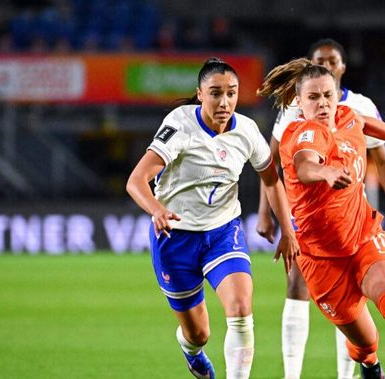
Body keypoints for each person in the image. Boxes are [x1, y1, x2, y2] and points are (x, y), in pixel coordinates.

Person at [257, 58, 385, 379]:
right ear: (299, 101)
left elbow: (366, 123)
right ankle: (369, 362)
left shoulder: (347, 116)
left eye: (328, 96)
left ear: (338, 95)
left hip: (363, 235)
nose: (323, 104)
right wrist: (326, 171)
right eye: (313, 98)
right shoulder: (301, 132)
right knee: (366, 341)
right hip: (322, 261)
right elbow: (306, 166)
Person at [127, 58, 299, 379]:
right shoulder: (180, 125)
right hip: (175, 238)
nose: (225, 102)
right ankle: (191, 352)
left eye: (232, 93)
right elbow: (136, 181)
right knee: (198, 335)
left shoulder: (247, 131)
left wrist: (287, 230)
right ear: (200, 94)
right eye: (216, 93)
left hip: (223, 232)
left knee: (240, 309)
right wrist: (157, 209)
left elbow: (272, 179)